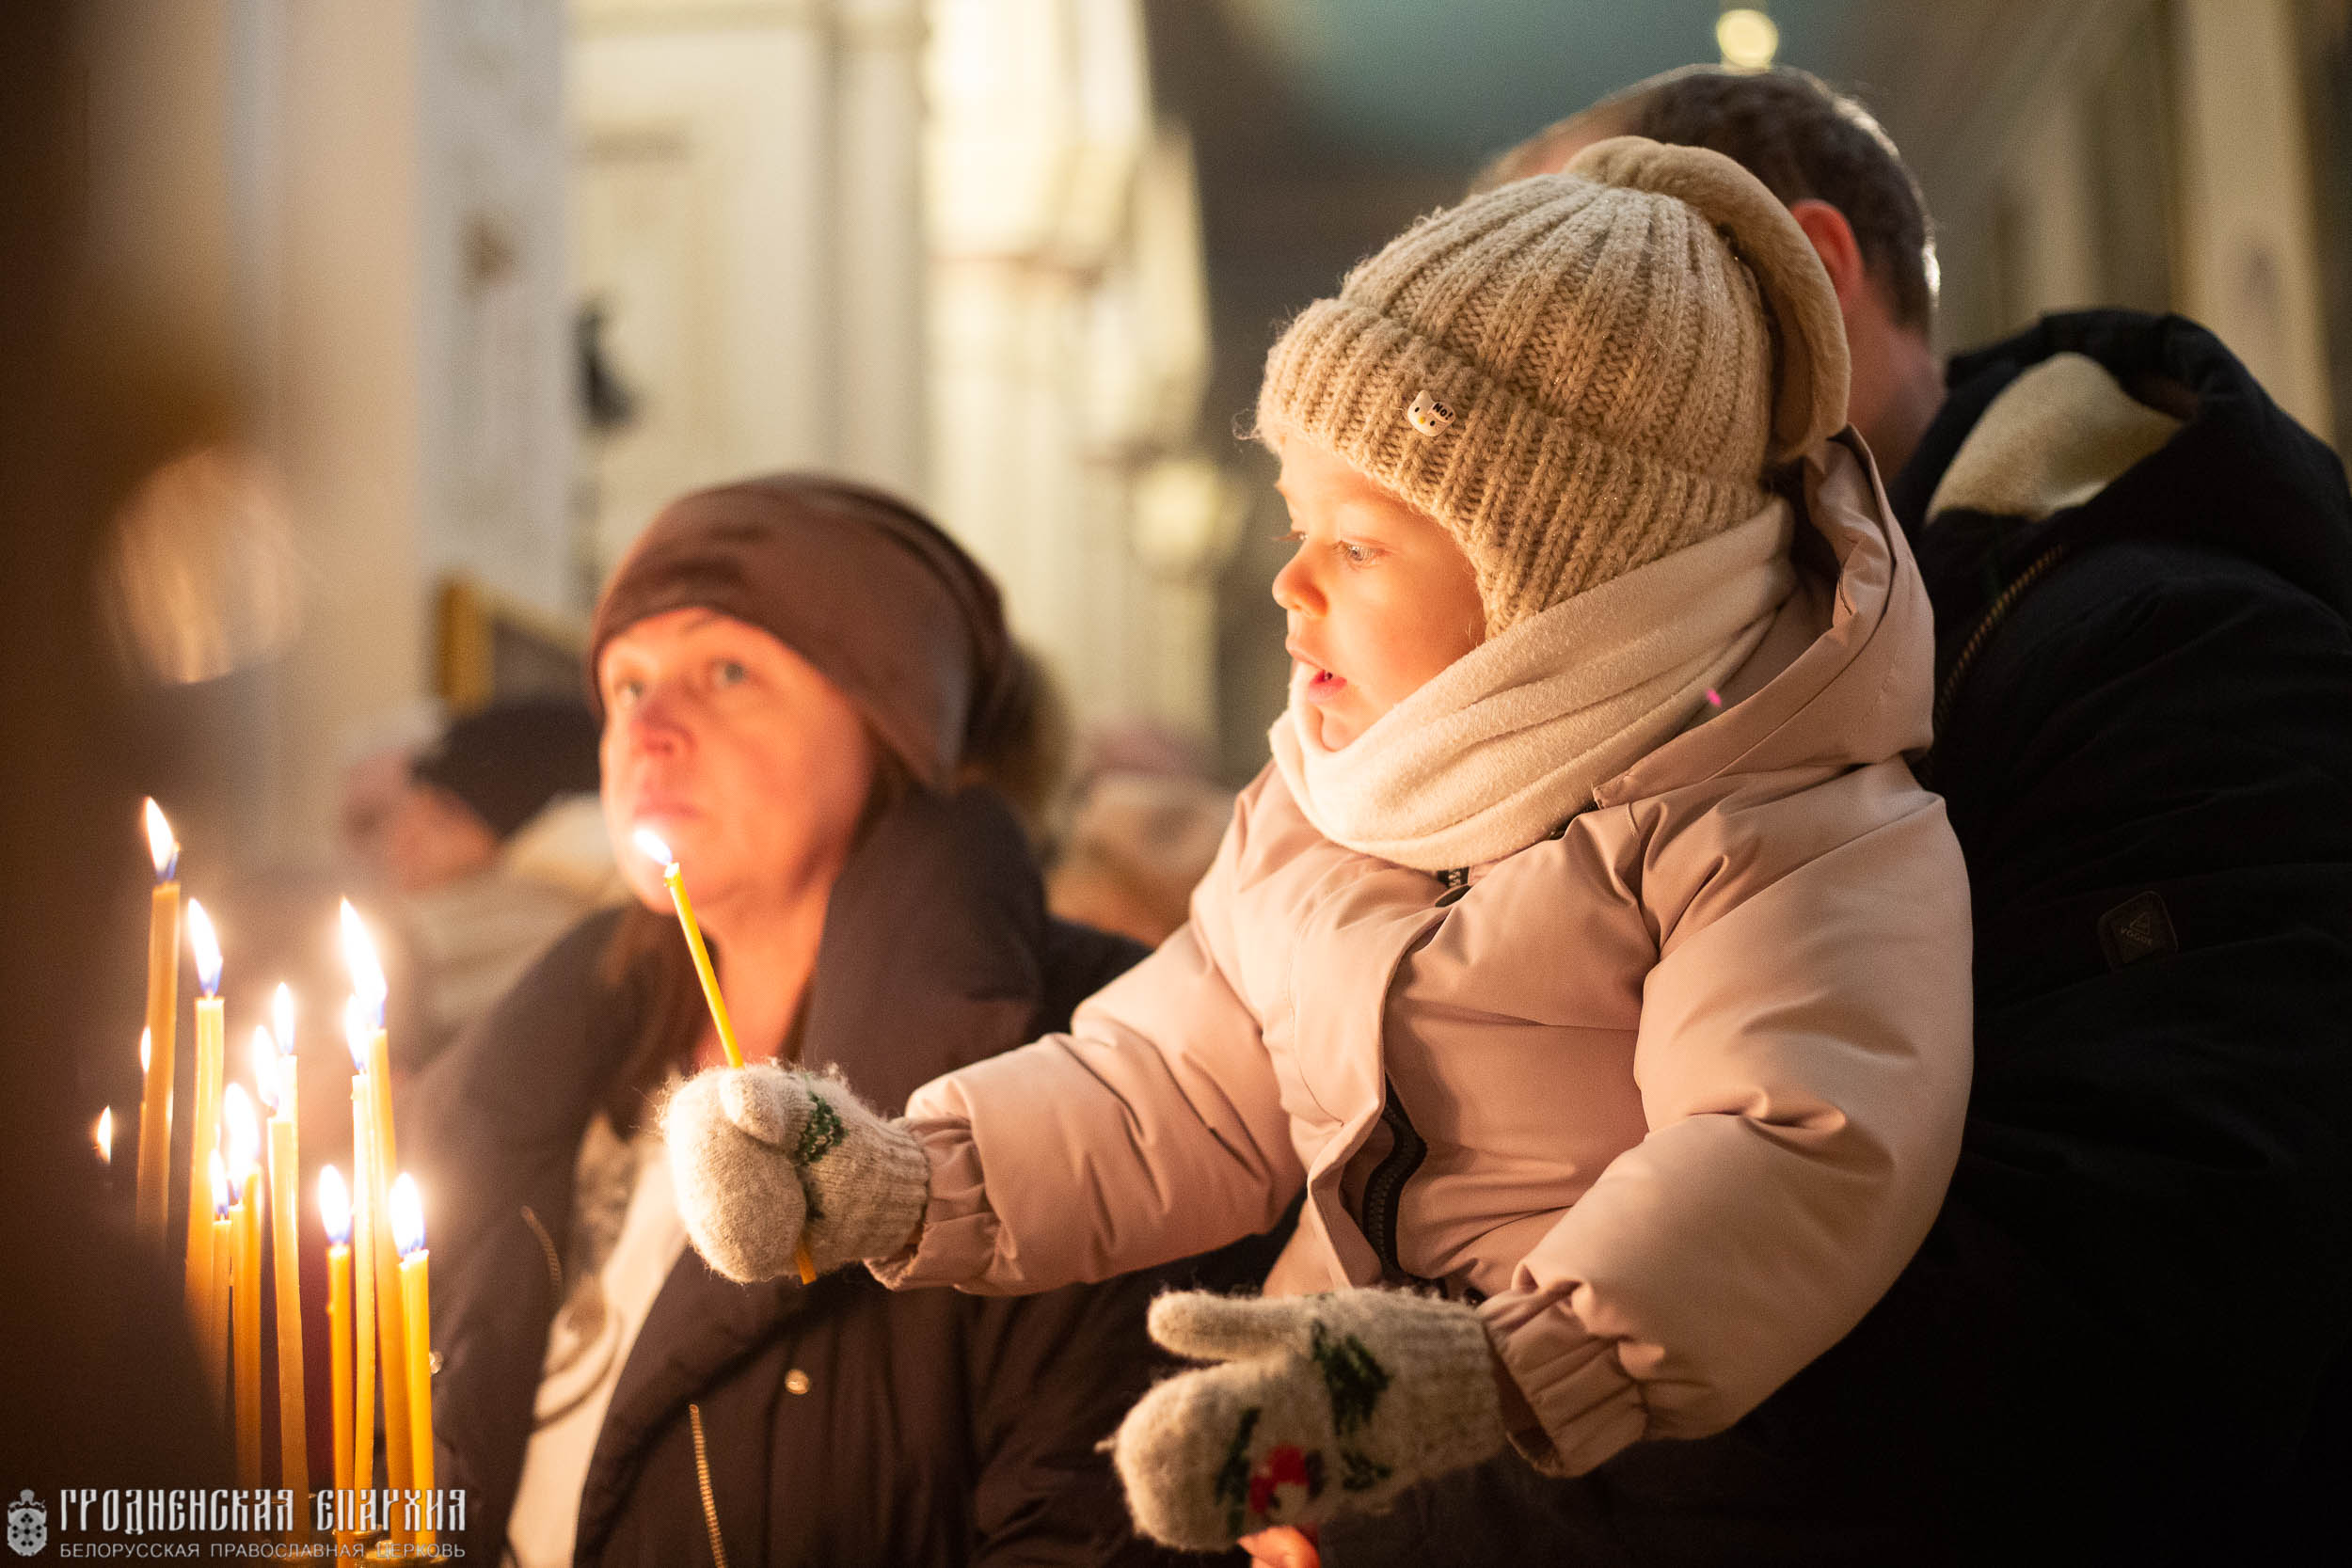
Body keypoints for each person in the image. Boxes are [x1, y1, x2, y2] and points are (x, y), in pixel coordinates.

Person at [662, 142, 1976, 1552]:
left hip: (1590, 1485)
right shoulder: (1322, 806)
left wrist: (1488, 1373)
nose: (1287, 583)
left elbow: (1787, 1152)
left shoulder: (1785, 826)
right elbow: (1169, 1083)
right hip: (1317, 1462)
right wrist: (903, 1173)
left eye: (1356, 545)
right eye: (1298, 524)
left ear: (1559, 583)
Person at [1294, 66, 2352, 1566]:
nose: (1527, 453)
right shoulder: (1700, 683)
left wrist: (1408, 1494)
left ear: (1809, 274)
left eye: (1574, 339)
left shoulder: (2174, 653)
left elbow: (2099, 1320)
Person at [405, 476, 1215, 1567]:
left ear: (895, 718)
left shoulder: (1095, 1050)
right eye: (627, 681)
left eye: (727, 672)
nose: (646, 727)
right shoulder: (554, 1053)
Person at [378, 698, 623, 1059]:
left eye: (443, 818)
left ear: (531, 832)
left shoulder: (536, 917)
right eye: (409, 811)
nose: (401, 842)